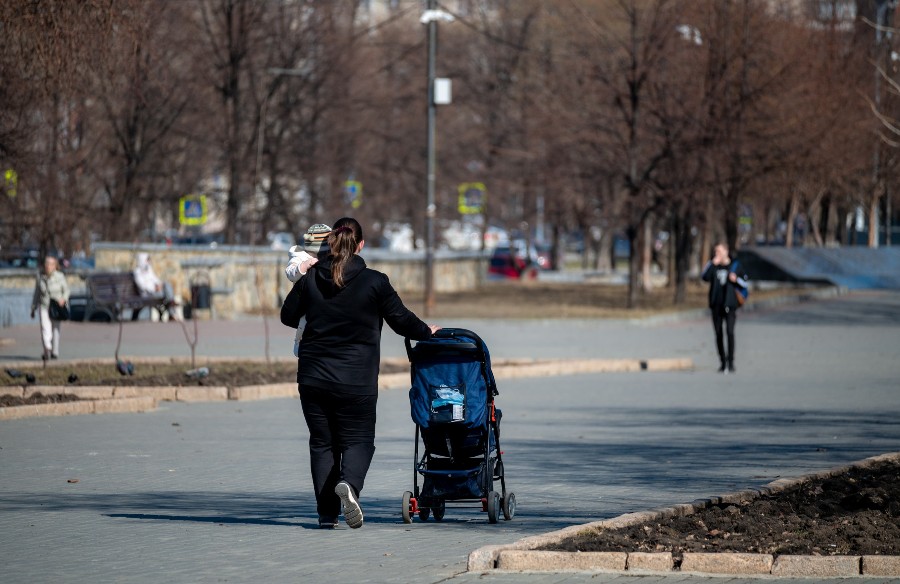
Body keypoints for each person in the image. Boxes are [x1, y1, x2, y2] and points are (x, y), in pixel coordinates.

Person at [280, 217, 439, 529]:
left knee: (322, 443)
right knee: (358, 440)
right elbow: (401, 320)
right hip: (356, 379)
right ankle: (349, 486)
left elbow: (288, 316)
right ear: (361, 245)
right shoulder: (374, 281)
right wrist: (428, 332)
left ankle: (327, 514)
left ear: (331, 243)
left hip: (312, 376)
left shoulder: (311, 277)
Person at [284, 224, 332, 357]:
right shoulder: (299, 255)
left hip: (321, 300)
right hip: (304, 300)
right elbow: (290, 273)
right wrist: (304, 266)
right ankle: (299, 344)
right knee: (304, 325)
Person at [701, 243, 747, 374]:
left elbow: (745, 282)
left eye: (719, 252)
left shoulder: (734, 266)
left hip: (730, 304)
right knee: (718, 334)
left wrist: (736, 279)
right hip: (716, 304)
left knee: (730, 332)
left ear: (726, 252)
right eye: (715, 252)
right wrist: (712, 263)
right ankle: (722, 362)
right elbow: (704, 277)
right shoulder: (713, 266)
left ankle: (731, 362)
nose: (717, 254)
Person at [30, 256, 70, 360]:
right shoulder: (40, 277)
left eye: (50, 264)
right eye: (46, 263)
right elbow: (37, 293)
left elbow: (67, 290)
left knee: (55, 329)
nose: (48, 266)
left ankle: (55, 351)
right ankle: (47, 349)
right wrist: (33, 308)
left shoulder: (60, 276)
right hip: (44, 305)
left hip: (57, 306)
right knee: (45, 327)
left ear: (55, 266)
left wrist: (63, 299)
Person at [132, 252, 179, 321]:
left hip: (156, 291)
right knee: (168, 297)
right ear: (142, 260)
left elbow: (155, 279)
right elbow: (142, 286)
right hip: (147, 294)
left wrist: (160, 284)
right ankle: (172, 308)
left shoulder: (149, 269)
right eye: (147, 260)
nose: (149, 261)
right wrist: (154, 288)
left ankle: (171, 304)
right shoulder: (137, 272)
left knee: (166, 284)